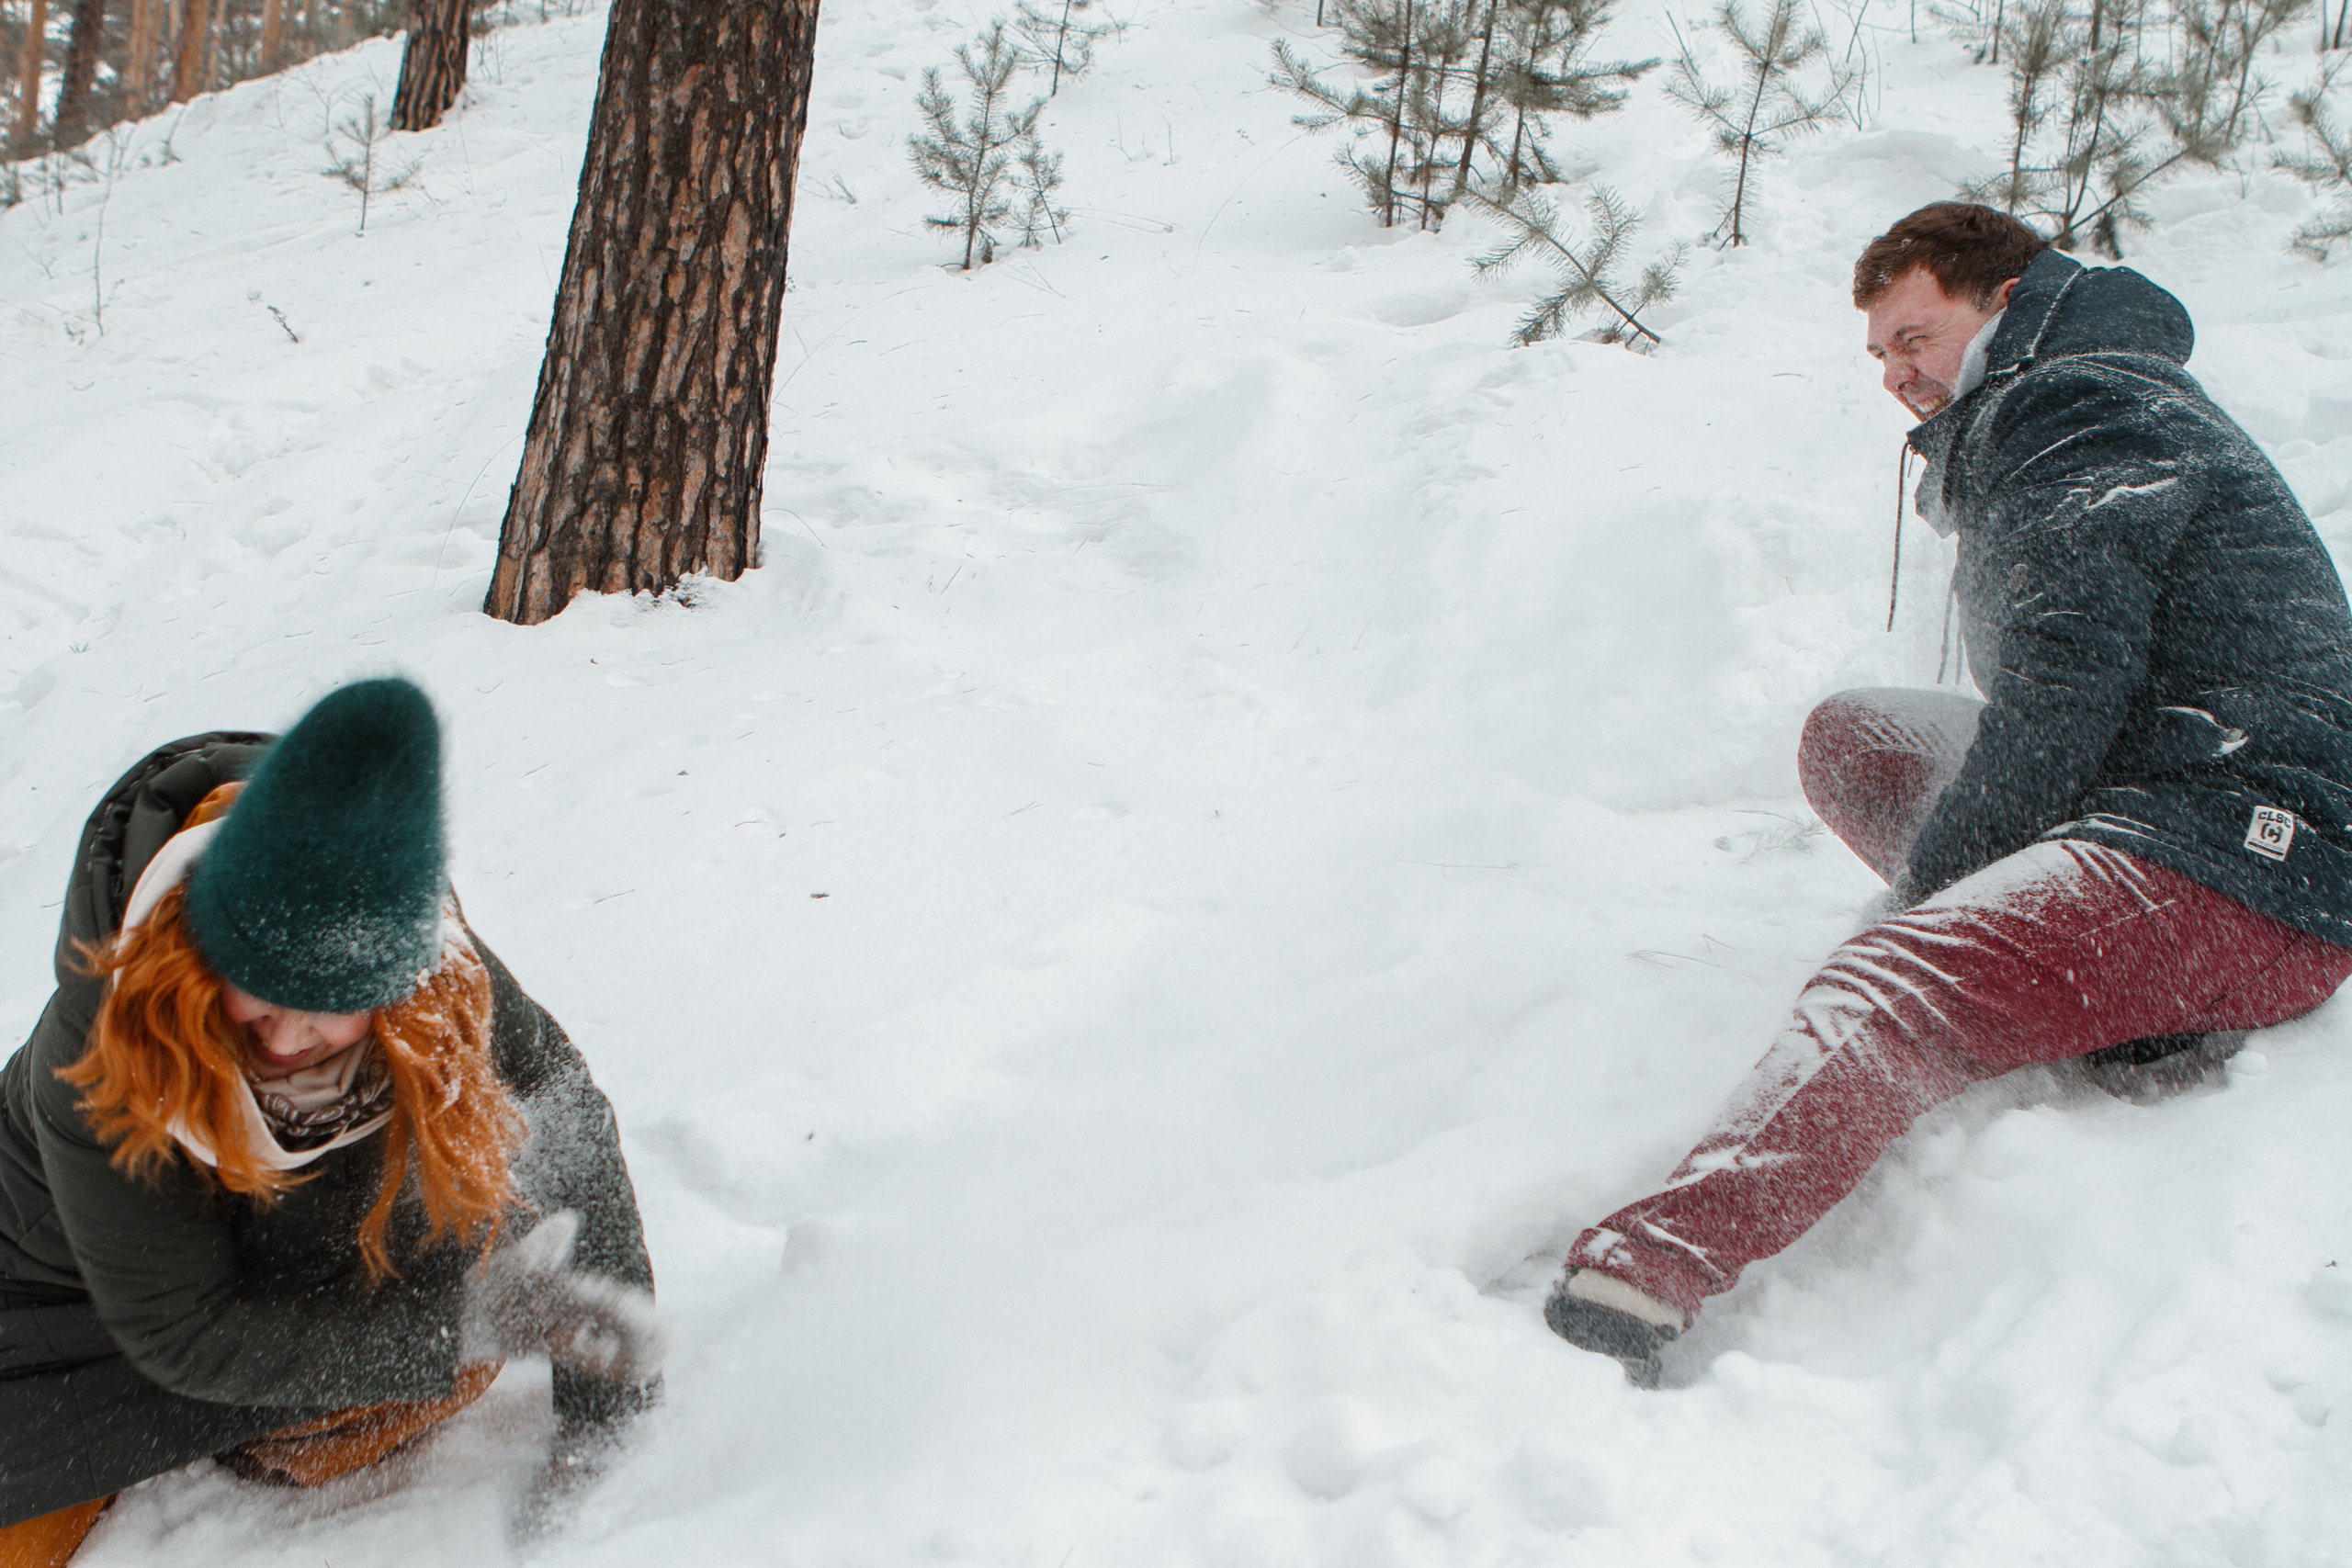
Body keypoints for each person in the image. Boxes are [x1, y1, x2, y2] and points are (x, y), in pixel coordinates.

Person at [1544, 202, 2352, 1386]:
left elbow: (2065, 687)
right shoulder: (2058, 403)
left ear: (2008, 304)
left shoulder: (2075, 402)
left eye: (1913, 335)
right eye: (1876, 353)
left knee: (1893, 983)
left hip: (2249, 857)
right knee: (1858, 737)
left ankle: (1633, 1284)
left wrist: (1925, 904)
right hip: (2157, 805)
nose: (1895, 373)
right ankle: (2122, 997)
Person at [1, 678, 666, 1565]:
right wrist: (456, 1324)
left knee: (439, 1351)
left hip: (254, 1262)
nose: (285, 1039)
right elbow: (184, 1331)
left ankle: (270, 1424)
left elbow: (568, 1128)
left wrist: (605, 1431)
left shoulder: (433, 980)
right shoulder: (107, 1044)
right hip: (51, 1303)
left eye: (325, 1013)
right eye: (259, 998)